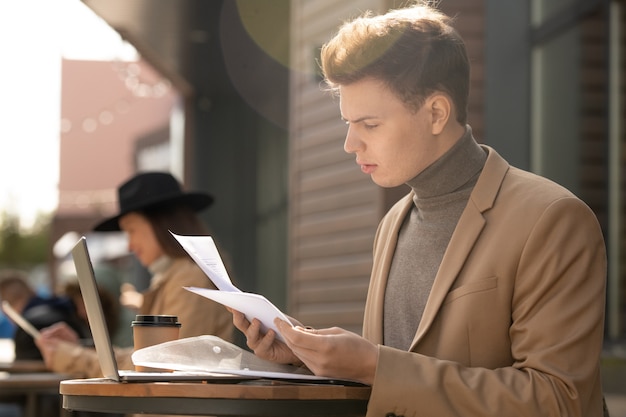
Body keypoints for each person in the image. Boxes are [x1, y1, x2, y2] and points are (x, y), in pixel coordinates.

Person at [230, 2, 608, 417]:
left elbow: (559, 401)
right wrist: (307, 359)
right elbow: (398, 381)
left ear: (436, 113)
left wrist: (375, 365)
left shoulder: (552, 219)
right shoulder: (394, 223)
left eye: (369, 125)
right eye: (348, 123)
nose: (350, 144)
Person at [35, 171, 234, 377]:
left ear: (161, 223)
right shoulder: (177, 277)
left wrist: (75, 357)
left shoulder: (190, 280)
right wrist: (81, 350)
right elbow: (148, 358)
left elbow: (161, 365)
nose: (129, 245)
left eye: (132, 230)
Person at [0, 269, 90, 360]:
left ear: (6, 309)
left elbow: (22, 372)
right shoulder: (67, 309)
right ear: (33, 292)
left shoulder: (26, 330)